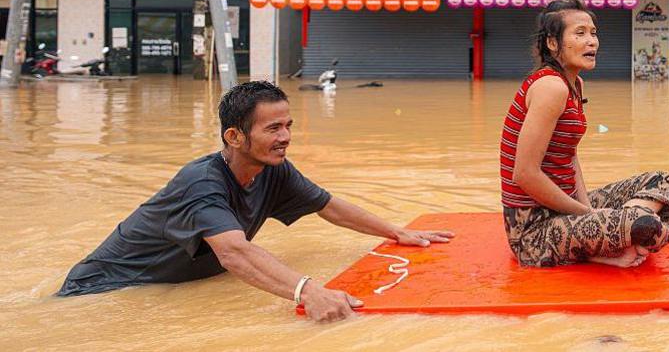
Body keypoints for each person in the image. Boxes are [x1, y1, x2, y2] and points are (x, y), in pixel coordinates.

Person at [58, 81, 453, 322]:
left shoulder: (273, 169)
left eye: (288, 126)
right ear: (234, 136)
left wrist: (396, 231)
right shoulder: (201, 182)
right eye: (273, 128)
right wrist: (308, 290)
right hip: (104, 291)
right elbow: (234, 253)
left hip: (159, 287)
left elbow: (328, 206)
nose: (285, 137)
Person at [500, 0, 669, 268]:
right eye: (580, 33)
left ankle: (614, 238)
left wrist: (590, 213)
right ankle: (617, 240)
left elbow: (570, 156)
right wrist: (588, 214)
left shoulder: (575, 84)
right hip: (532, 234)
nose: (592, 41)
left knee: (660, 180)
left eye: (593, 33)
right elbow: (524, 173)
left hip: (564, 206)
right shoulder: (551, 87)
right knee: (648, 226)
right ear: (552, 43)